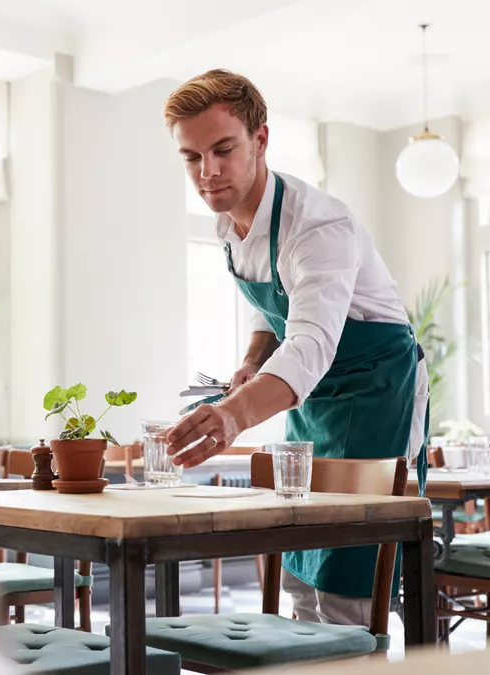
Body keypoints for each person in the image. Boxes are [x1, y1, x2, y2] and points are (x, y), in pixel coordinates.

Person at [162, 69, 428, 627]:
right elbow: (269, 306)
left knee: (352, 575)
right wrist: (252, 362)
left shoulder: (318, 226)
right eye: (191, 157)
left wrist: (232, 417)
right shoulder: (229, 225)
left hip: (377, 387)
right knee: (303, 567)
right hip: (309, 399)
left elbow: (309, 341)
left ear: (260, 140)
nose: (207, 173)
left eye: (222, 150)